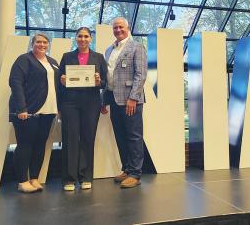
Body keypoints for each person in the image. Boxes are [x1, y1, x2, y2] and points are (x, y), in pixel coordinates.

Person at [9, 33, 59, 193]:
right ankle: (22, 181)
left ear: (48, 44)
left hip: (48, 111)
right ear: (33, 43)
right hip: (28, 111)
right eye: (38, 42)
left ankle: (34, 178)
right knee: (25, 145)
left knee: (39, 145)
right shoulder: (24, 59)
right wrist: (21, 108)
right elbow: (15, 83)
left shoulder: (53, 62)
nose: (42, 45)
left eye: (45, 42)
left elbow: (57, 84)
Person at [59, 27, 108, 191]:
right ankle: (69, 179)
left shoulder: (99, 58)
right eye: (80, 36)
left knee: (88, 138)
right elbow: (60, 82)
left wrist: (98, 82)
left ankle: (86, 176)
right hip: (69, 103)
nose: (83, 39)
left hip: (91, 103)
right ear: (76, 38)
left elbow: (105, 83)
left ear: (91, 39)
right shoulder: (67, 57)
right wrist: (63, 80)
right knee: (70, 139)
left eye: (86, 36)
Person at [102, 17, 147, 189]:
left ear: (128, 28)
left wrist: (133, 98)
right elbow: (108, 77)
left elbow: (140, 75)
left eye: (121, 27)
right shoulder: (109, 50)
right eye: (115, 27)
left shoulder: (137, 47)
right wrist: (103, 100)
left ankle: (135, 174)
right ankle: (127, 169)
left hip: (130, 101)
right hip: (113, 99)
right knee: (120, 137)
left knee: (134, 136)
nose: (118, 30)